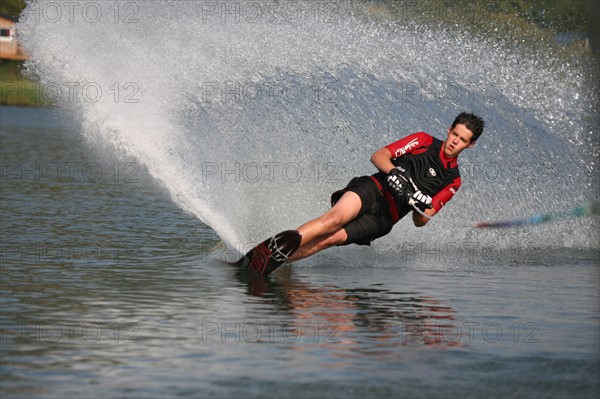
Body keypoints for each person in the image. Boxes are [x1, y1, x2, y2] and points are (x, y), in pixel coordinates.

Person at [288, 112, 485, 262]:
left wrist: (422, 205)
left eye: (463, 140)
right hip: (374, 189)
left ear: (470, 145)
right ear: (449, 130)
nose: (455, 141)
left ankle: (278, 261)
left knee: (330, 239)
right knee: (333, 219)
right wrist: (393, 172)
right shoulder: (423, 140)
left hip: (385, 217)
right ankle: (278, 248)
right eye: (455, 134)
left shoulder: (453, 180)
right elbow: (379, 156)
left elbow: (420, 221)